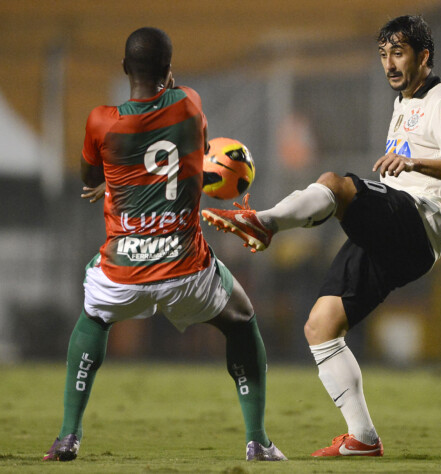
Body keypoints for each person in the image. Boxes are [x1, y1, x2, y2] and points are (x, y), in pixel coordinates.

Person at [201, 15, 441, 457]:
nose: (389, 63)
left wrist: (416, 164)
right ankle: (363, 438)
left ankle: (265, 222)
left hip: (420, 221)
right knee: (321, 326)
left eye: (399, 53)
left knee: (337, 184)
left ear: (424, 56)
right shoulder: (403, 102)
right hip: (399, 236)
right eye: (384, 54)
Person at [43, 27, 286, 462]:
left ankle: (67, 436)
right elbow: (182, 150)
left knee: (93, 317)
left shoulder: (101, 120)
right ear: (169, 72)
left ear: (124, 68)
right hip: (185, 271)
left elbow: (89, 176)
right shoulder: (189, 105)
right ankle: (258, 442)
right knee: (243, 319)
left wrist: (115, 177)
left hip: (124, 269)